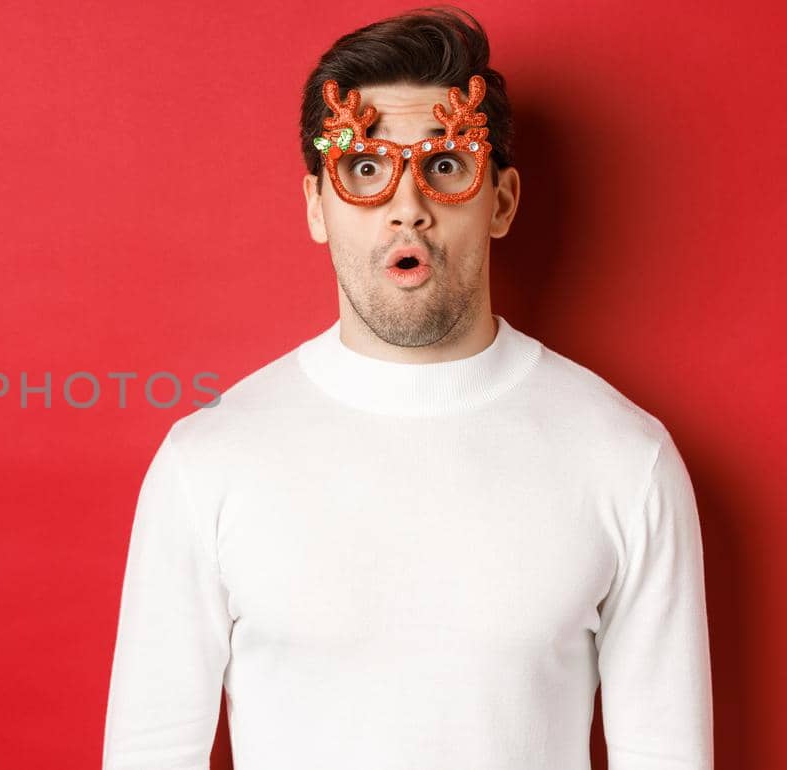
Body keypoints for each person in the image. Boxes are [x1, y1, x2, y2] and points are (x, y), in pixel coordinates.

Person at [100, 6, 714, 769]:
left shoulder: (625, 457)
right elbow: (150, 751)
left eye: (446, 166)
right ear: (316, 207)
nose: (406, 206)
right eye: (364, 169)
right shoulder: (209, 459)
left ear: (502, 200)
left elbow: (667, 752)